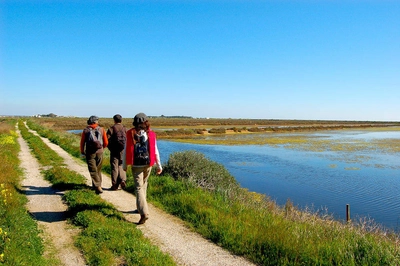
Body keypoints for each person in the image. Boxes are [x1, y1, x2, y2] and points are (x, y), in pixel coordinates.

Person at [123, 112, 162, 224]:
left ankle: (143, 212)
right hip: (148, 163)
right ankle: (140, 207)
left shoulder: (130, 133)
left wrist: (124, 165)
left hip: (136, 164)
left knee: (139, 188)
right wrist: (159, 166)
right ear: (146, 122)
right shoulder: (151, 134)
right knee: (144, 184)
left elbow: (125, 150)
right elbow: (155, 151)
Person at [80, 115, 108, 194]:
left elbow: (82, 142)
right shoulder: (102, 129)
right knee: (98, 169)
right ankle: (97, 185)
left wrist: (82, 151)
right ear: (96, 121)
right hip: (100, 152)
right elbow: (106, 142)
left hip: (90, 152)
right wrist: (102, 148)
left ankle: (97, 186)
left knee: (92, 169)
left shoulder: (86, 130)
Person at [107, 114, 127, 190]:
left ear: (114, 120)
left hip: (114, 150)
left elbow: (107, 140)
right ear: (121, 120)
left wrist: (110, 148)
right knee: (121, 165)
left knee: (114, 167)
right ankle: (123, 180)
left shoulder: (111, 129)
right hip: (123, 150)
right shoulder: (125, 128)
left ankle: (114, 185)